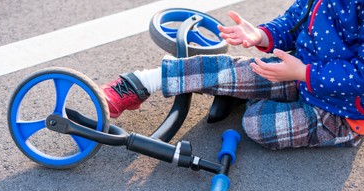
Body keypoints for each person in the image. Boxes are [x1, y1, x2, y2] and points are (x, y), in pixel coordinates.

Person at [100, 0, 364, 150]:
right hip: (298, 72)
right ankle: (140, 83)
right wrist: (261, 35)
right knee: (233, 69)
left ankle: (242, 91)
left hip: (340, 111)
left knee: (258, 125)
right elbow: (294, 21)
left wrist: (304, 72)